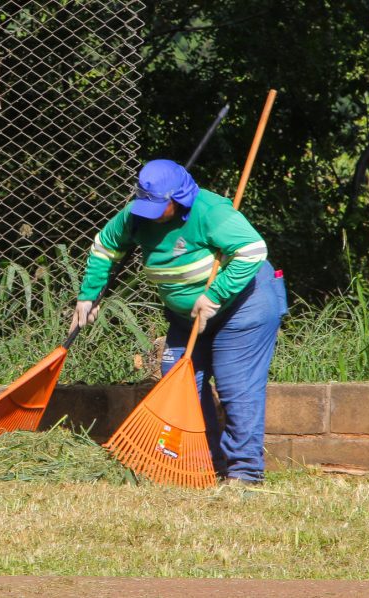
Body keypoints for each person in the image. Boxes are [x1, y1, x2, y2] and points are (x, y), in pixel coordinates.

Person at [70, 159, 288, 484]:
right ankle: (208, 465)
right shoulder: (136, 216)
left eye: (159, 206)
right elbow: (105, 246)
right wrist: (89, 295)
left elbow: (252, 250)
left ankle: (244, 474)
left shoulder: (211, 212)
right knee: (179, 380)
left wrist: (214, 296)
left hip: (244, 307)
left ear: (180, 198)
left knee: (235, 388)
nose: (151, 213)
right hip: (187, 317)